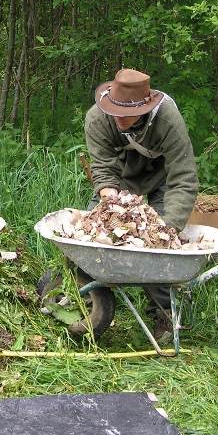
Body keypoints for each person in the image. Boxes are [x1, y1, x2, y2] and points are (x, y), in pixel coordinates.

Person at [84, 68, 198, 338]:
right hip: (120, 177)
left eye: (127, 113)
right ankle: (89, 300)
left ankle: (163, 313)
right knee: (91, 235)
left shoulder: (167, 118)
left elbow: (183, 177)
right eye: (116, 112)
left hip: (162, 176)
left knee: (158, 250)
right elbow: (102, 168)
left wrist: (167, 229)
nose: (120, 119)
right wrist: (114, 210)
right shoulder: (97, 118)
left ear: (145, 107)